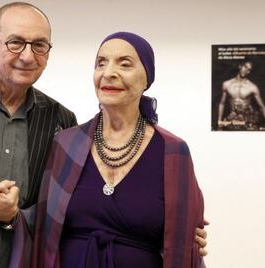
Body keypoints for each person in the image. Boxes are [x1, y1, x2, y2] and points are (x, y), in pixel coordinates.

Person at [0, 2, 207, 267]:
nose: (27, 55)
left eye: (39, 45)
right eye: (15, 42)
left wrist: (181, 235)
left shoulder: (61, 122)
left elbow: (55, 212)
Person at [28, 32, 205, 267]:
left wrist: (192, 239)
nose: (108, 73)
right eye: (101, 63)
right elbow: (41, 226)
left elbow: (183, 242)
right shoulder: (65, 144)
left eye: (125, 64)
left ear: (147, 79)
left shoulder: (173, 151)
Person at [217, 60, 265, 130]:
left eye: (249, 70)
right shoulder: (226, 84)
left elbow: (262, 106)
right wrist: (219, 123)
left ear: (249, 72)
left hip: (247, 120)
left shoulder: (252, 87)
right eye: (245, 67)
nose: (246, 70)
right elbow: (222, 103)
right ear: (240, 66)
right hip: (233, 119)